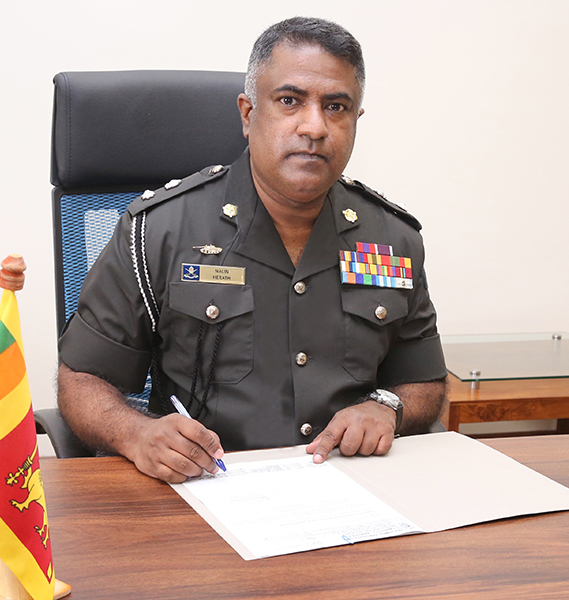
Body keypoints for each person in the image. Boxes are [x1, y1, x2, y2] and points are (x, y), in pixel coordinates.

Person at [57, 16, 447, 483]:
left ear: (355, 121)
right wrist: (136, 434)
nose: (315, 126)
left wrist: (390, 410)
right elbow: (80, 380)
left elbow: (425, 382)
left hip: (351, 490)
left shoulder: (392, 240)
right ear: (247, 113)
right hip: (204, 492)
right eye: (289, 101)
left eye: (336, 107)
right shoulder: (159, 231)